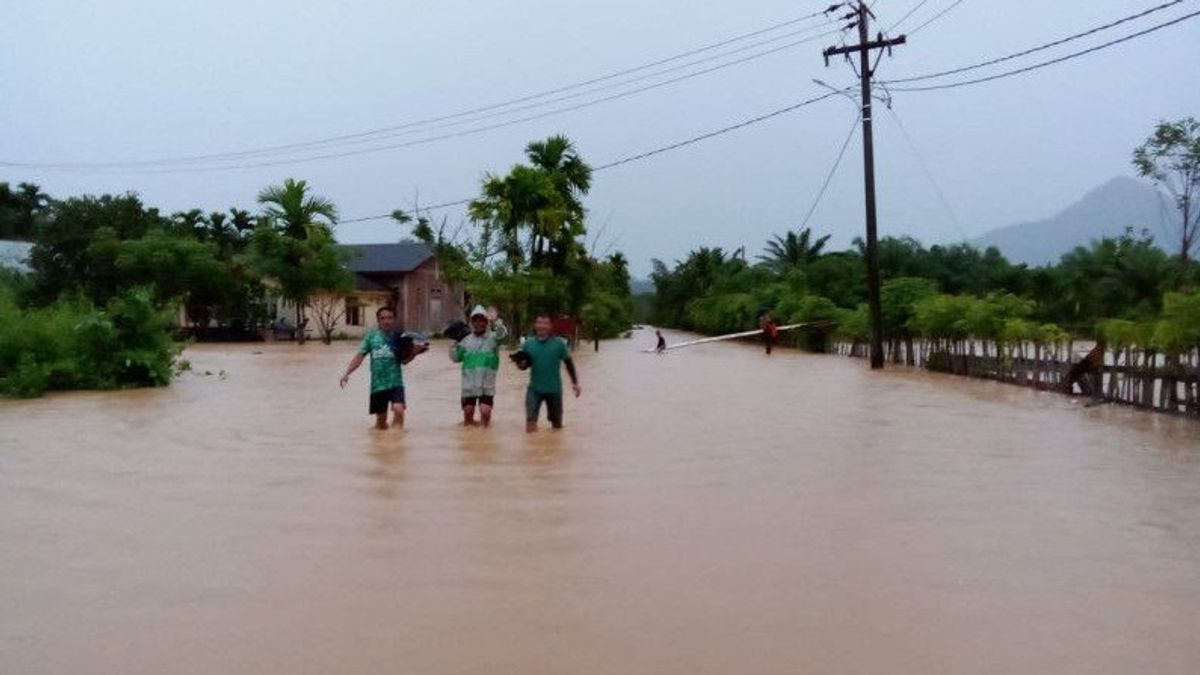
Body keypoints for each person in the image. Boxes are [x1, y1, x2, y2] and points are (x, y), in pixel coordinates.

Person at [339, 306, 427, 430]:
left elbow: (404, 361)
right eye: (383, 318)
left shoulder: (400, 338)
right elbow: (359, 356)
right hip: (378, 384)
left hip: (396, 382)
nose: (386, 321)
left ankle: (397, 440)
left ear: (394, 320)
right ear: (378, 321)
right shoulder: (371, 337)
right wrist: (347, 373)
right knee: (381, 424)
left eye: (389, 318)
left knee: (399, 409)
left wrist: (414, 352)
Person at [519, 314, 581, 433]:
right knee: (530, 423)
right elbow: (524, 365)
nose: (542, 326)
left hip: (554, 390)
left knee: (557, 426)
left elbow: (569, 364)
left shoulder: (559, 344)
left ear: (550, 326)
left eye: (545, 323)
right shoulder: (527, 344)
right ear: (535, 325)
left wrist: (575, 383)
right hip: (534, 389)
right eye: (539, 323)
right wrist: (521, 365)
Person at [450, 305, 508, 427]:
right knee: (468, 412)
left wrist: (496, 322)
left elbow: (502, 335)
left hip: (487, 385)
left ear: (486, 322)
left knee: (485, 412)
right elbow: (455, 358)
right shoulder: (465, 340)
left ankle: (485, 436)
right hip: (468, 385)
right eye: (475, 320)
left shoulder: (493, 338)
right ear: (472, 322)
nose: (479, 323)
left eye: (482, 320)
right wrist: (455, 342)